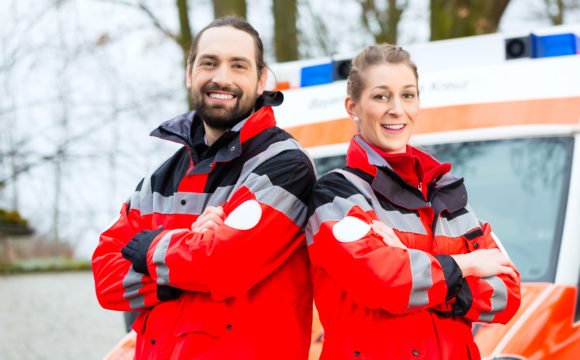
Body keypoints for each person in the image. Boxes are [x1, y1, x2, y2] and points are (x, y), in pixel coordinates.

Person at [92, 16, 316, 360]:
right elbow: (107, 282)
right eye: (209, 63)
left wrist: (149, 246)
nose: (221, 77)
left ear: (260, 80)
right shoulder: (159, 179)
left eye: (238, 65)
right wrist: (189, 255)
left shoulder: (285, 166)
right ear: (189, 73)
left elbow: (225, 264)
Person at [306, 44, 521, 359]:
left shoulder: (447, 193)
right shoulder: (336, 194)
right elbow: (384, 282)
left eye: (407, 95)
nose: (397, 109)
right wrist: (466, 265)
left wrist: (418, 269)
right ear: (352, 107)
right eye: (381, 96)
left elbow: (508, 294)